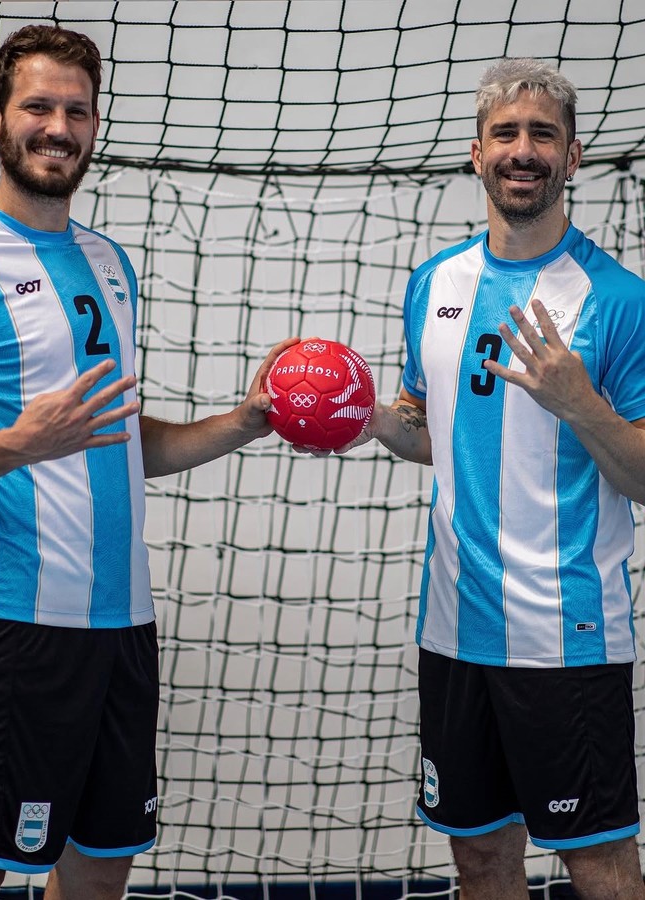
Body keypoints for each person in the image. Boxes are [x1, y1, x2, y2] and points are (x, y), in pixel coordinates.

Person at [0, 24, 294, 900]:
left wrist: (244, 421)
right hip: (10, 628)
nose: (58, 127)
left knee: (100, 867)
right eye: (38, 107)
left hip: (124, 628)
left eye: (77, 111)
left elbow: (119, 440)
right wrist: (21, 442)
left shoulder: (107, 260)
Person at [329, 58, 645, 899]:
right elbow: (427, 428)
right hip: (455, 631)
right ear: (476, 153)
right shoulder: (435, 282)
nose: (523, 150)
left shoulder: (616, 299)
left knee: (600, 863)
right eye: (505, 133)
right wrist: (358, 417)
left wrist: (583, 406)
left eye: (543, 134)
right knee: (477, 857)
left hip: (567, 636)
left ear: (572, 156)